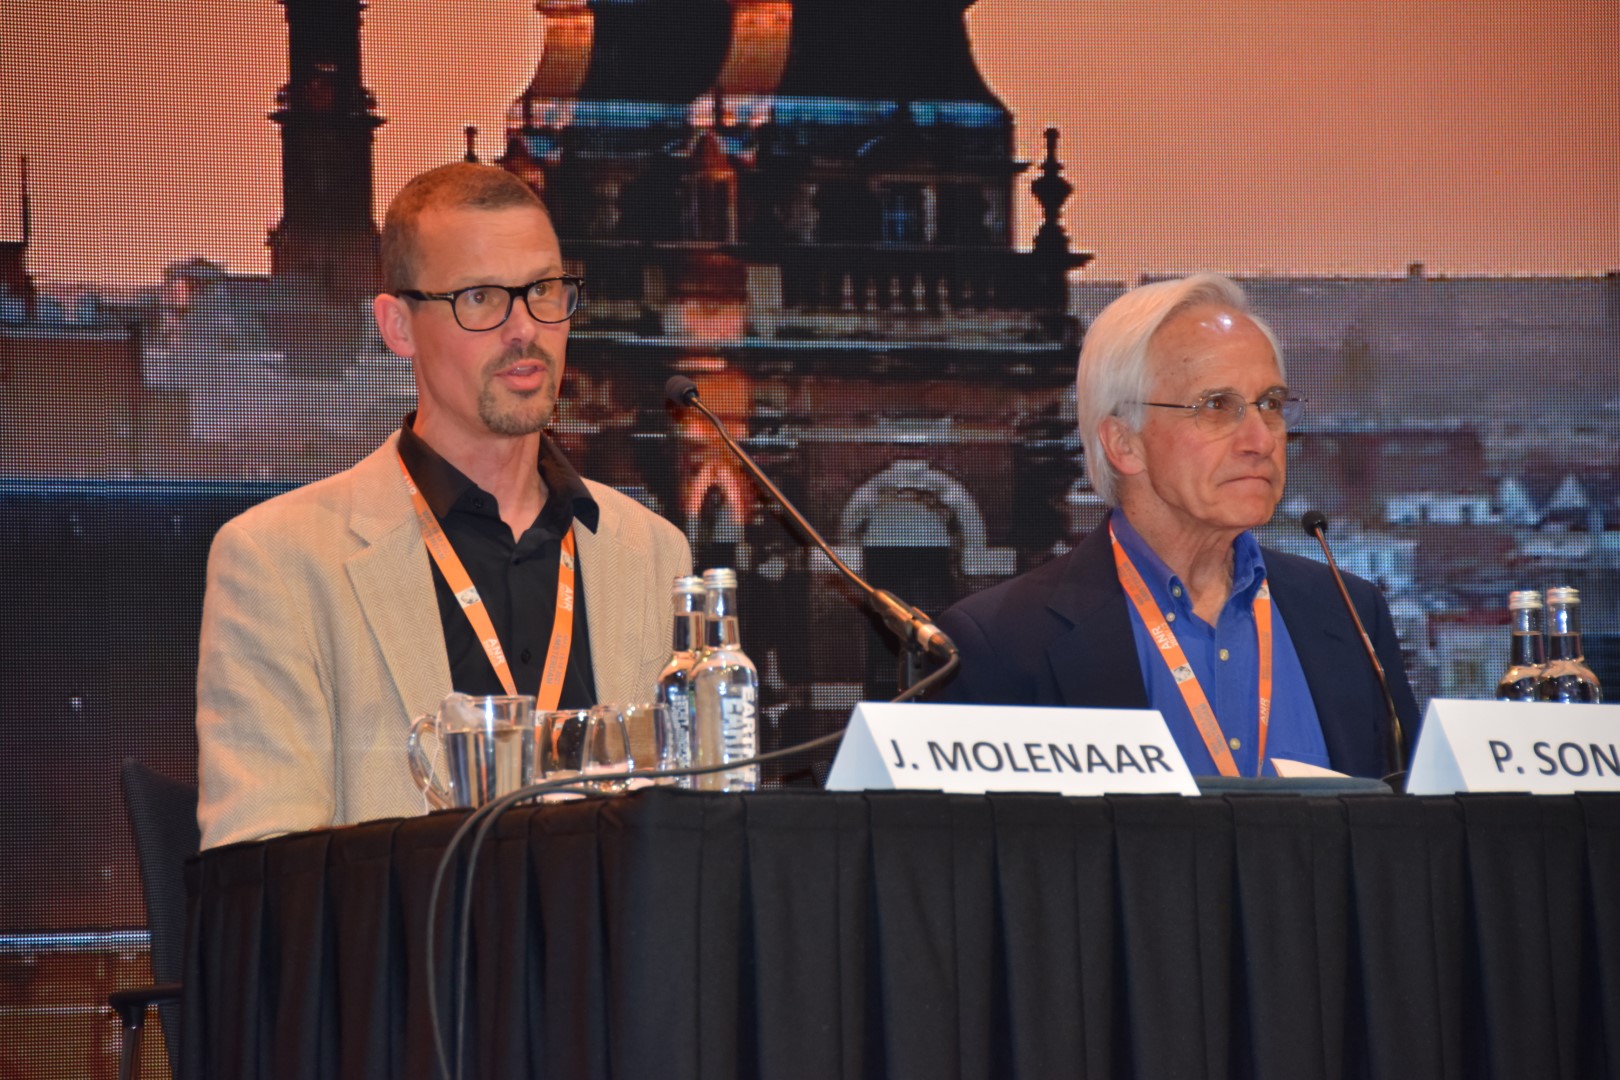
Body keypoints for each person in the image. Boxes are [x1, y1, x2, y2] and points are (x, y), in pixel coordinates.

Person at [196, 163, 692, 848]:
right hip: (412, 921)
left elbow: (688, 840)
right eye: (480, 298)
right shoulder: (278, 561)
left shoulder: (651, 552)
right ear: (398, 326)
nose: (524, 329)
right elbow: (264, 871)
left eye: (544, 291)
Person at [932, 273, 1417, 779]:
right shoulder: (1002, 643)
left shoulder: (1350, 614)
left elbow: (1411, 816)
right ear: (1124, 443)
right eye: (1217, 406)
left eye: (1271, 405)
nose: (1261, 440)